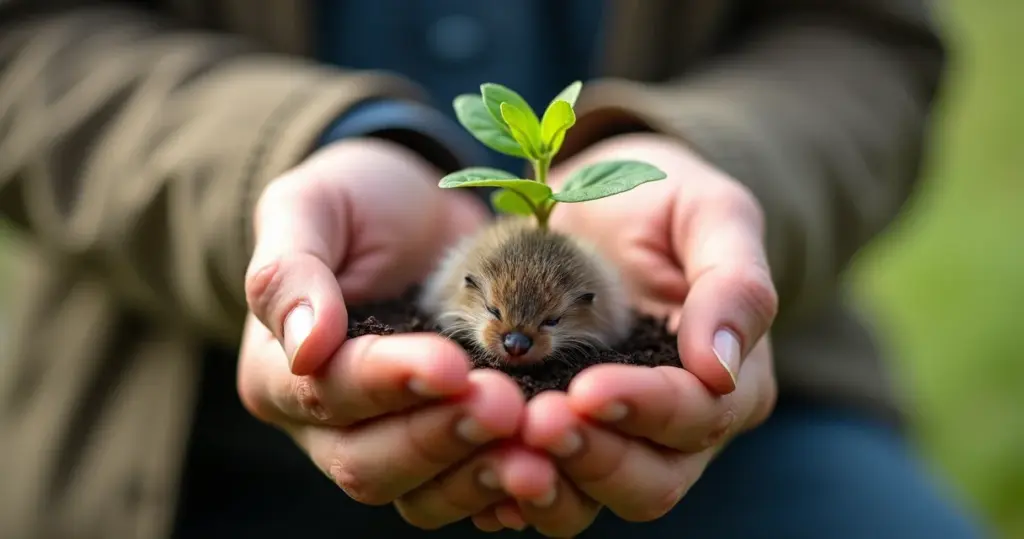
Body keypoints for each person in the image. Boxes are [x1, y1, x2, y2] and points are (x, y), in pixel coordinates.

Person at [0, 0, 988, 538]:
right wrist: (290, 157)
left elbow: (864, 37)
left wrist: (701, 160)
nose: (518, 345)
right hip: (159, 432)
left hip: (736, 436)